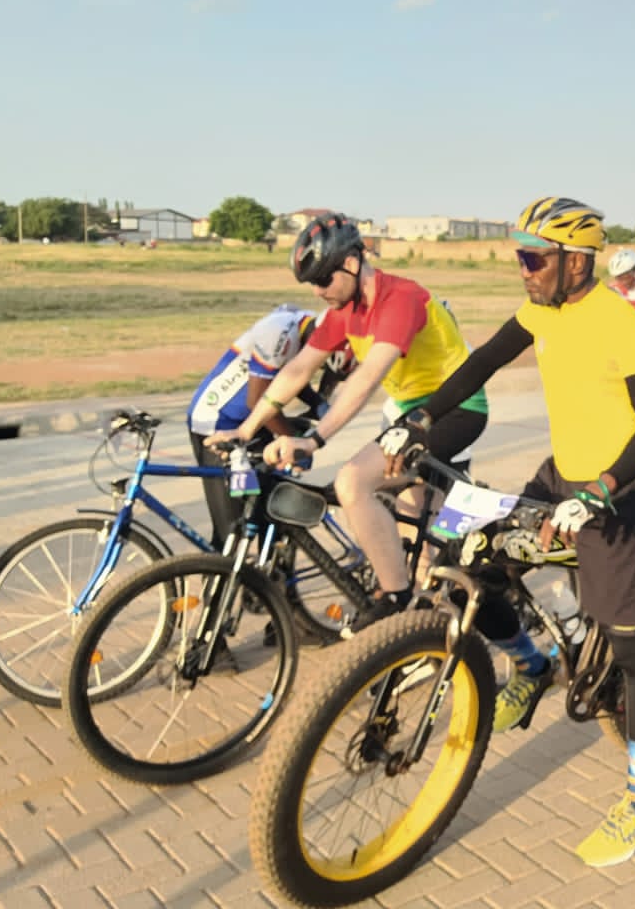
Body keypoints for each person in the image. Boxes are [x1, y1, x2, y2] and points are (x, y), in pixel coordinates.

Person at [388, 196, 635, 868]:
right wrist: (421, 418)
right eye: (519, 257)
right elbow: (482, 363)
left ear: (576, 262)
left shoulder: (622, 324)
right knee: (478, 558)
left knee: (631, 646)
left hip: (622, 491)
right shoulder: (542, 311)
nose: (522, 270)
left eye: (532, 259)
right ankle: (533, 663)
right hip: (561, 475)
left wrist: (603, 490)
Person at [206, 213, 487, 625]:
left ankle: (395, 600)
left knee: (353, 481)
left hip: (455, 411)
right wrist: (246, 429)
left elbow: (367, 378)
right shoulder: (346, 309)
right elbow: (298, 370)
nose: (317, 291)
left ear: (352, 264)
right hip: (409, 415)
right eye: (311, 284)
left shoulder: (401, 299)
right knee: (412, 530)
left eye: (323, 279)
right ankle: (420, 618)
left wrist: (313, 440)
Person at [186, 304, 337, 546]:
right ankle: (222, 568)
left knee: (274, 512)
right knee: (231, 528)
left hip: (254, 423)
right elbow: (258, 400)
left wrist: (318, 404)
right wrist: (294, 438)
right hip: (217, 424)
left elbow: (289, 377)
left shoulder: (306, 330)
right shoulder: (278, 332)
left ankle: (274, 566)